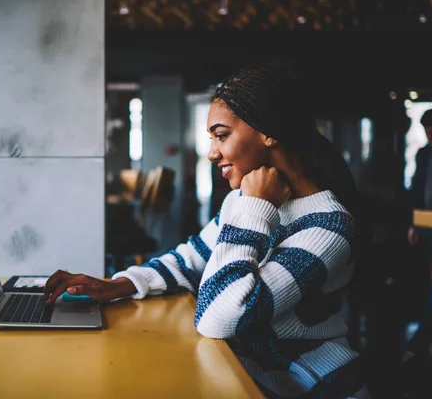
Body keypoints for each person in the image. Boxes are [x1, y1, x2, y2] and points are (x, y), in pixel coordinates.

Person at [44, 62, 369, 398]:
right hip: (248, 375)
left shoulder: (329, 226)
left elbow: (220, 316)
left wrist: (254, 208)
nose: (213, 153)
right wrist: (119, 285)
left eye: (221, 135)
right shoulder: (242, 202)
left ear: (269, 130)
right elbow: (191, 260)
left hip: (311, 385)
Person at [406, 109, 432, 357]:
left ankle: (422, 336)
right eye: (426, 129)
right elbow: (417, 188)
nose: (429, 134)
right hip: (426, 224)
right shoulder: (424, 154)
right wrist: (413, 224)